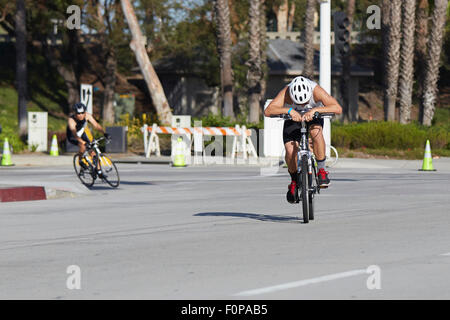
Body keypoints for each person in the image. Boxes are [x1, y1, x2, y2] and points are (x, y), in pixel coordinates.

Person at [264, 76, 342, 203]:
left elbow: (337, 108)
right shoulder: (286, 92)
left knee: (316, 131)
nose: (302, 105)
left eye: (305, 102)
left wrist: (316, 109)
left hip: (313, 115)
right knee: (290, 151)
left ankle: (321, 170)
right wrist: (289, 110)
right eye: (299, 103)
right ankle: (294, 181)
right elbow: (268, 111)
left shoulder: (316, 90)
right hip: (293, 118)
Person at [66, 103, 110, 177]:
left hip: (82, 133)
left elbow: (96, 125)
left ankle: (99, 171)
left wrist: (104, 133)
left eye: (82, 113)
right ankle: (80, 161)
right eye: (78, 113)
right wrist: (83, 142)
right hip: (73, 136)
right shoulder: (71, 120)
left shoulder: (87, 116)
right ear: (75, 113)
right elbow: (75, 135)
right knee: (83, 146)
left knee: (93, 152)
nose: (81, 115)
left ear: (85, 112)